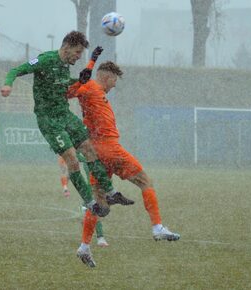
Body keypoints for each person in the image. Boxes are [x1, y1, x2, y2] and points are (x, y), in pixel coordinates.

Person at [0, 31, 133, 217]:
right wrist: (8, 84)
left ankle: (111, 193)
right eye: (77, 52)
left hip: (65, 114)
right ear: (66, 47)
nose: (79, 57)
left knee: (89, 149)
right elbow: (16, 70)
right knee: (71, 158)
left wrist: (80, 80)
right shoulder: (45, 60)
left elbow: (63, 84)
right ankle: (90, 202)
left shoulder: (64, 66)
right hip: (49, 119)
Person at [67, 61, 181, 267]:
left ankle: (84, 246)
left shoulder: (91, 90)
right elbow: (70, 92)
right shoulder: (92, 87)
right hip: (108, 148)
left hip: (95, 151)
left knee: (98, 202)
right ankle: (157, 227)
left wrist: (79, 80)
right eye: (114, 81)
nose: (114, 86)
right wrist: (83, 75)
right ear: (107, 77)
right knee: (145, 181)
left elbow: (71, 92)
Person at [58, 154, 109, 247]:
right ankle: (100, 237)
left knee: (92, 213)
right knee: (94, 212)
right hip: (91, 190)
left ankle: (93, 234)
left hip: (99, 190)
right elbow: (72, 156)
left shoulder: (98, 159)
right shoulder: (87, 158)